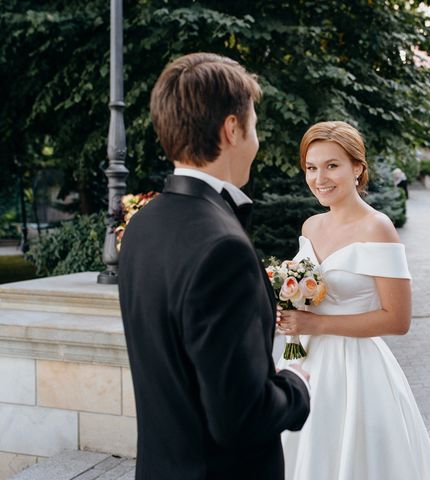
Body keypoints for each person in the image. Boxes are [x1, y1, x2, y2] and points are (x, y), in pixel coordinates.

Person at [118, 53, 310, 480]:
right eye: (254, 126)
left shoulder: (141, 225)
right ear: (231, 129)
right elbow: (239, 419)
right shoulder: (223, 248)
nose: (256, 141)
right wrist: (296, 386)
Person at [276, 121, 430, 480]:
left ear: (357, 168)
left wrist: (317, 323)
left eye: (332, 165)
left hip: (356, 372)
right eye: (311, 167)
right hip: (305, 363)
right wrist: (289, 305)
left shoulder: (377, 227)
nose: (320, 177)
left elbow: (398, 320)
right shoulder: (310, 226)